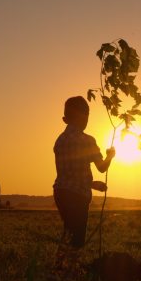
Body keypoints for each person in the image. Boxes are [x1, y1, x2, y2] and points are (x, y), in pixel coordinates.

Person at [53, 96, 115, 248]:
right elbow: (101, 168)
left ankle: (61, 266)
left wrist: (93, 184)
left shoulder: (59, 141)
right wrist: (110, 156)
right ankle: (70, 268)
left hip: (60, 192)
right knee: (77, 238)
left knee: (69, 232)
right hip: (78, 196)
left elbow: (69, 174)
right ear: (85, 117)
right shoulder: (87, 141)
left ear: (65, 119)